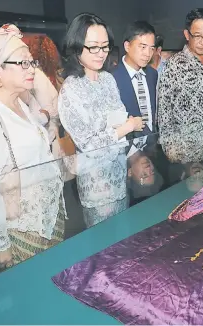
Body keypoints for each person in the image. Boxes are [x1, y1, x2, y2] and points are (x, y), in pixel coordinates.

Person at [0, 24, 66, 268]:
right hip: (22, 227)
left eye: (32, 62)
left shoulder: (22, 105)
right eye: (23, 63)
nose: (32, 69)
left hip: (47, 217)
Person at [58, 13, 143, 227]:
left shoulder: (107, 79)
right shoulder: (71, 89)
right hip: (96, 185)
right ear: (76, 47)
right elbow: (88, 145)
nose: (101, 53)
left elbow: (118, 116)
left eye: (105, 46)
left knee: (124, 238)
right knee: (103, 250)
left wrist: (123, 125)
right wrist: (125, 128)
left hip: (119, 176)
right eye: (93, 47)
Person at [157, 8, 203, 163]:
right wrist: (169, 147)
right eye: (198, 36)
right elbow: (164, 109)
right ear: (187, 35)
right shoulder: (174, 64)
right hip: (183, 151)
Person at [111, 21, 158, 136]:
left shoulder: (152, 74)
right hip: (127, 148)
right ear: (127, 46)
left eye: (151, 48)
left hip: (152, 144)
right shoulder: (111, 78)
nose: (148, 53)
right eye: (142, 47)